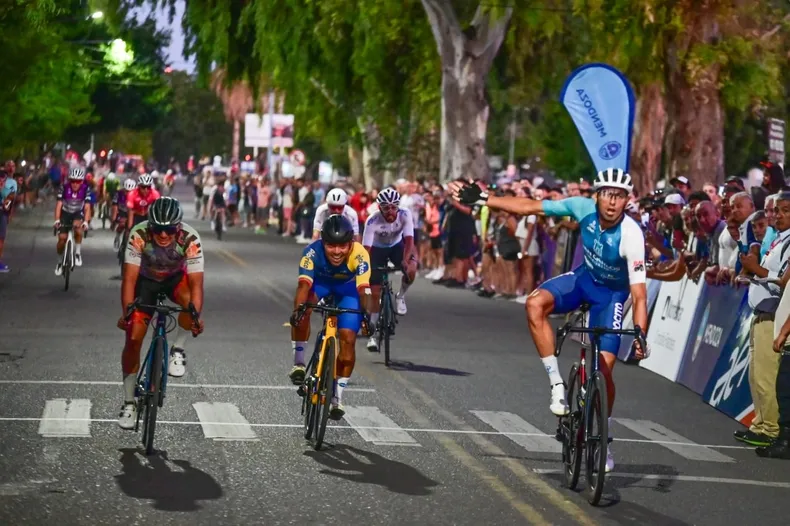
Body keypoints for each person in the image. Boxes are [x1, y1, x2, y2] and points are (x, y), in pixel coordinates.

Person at [450, 167, 650, 473]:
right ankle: (557, 383)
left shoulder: (632, 235)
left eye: (619, 196)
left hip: (611, 296)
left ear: (627, 200)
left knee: (604, 371)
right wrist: (485, 199)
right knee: (535, 303)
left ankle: (604, 438)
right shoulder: (581, 207)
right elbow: (530, 206)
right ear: (597, 196)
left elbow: (639, 295)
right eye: (608, 194)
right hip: (584, 280)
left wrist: (640, 334)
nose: (612, 202)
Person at [116, 197, 204, 429]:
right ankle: (129, 403)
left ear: (178, 227)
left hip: (175, 280)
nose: (163, 235)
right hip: (145, 282)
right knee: (134, 337)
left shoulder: (191, 238)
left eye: (169, 230)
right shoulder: (138, 234)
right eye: (157, 229)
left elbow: (196, 284)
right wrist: (126, 313)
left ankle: (178, 349)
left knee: (190, 305)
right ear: (150, 225)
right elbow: (129, 279)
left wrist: (195, 318)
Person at [288, 214, 372, 419]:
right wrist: (298, 310)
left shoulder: (360, 254)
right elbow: (303, 285)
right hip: (321, 285)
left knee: (348, 340)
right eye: (331, 245)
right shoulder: (311, 252)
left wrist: (366, 316)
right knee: (303, 310)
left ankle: (337, 398)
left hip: (348, 291)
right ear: (322, 242)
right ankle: (299, 363)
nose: (336, 251)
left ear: (351, 243)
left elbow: (364, 290)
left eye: (342, 246)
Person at [363, 188, 417, 346]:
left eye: (394, 207)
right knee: (374, 292)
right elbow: (366, 250)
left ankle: (400, 296)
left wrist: (405, 261)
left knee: (411, 269)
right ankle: (373, 334)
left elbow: (409, 241)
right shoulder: (372, 221)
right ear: (379, 207)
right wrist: (364, 268)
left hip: (396, 247)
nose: (390, 211)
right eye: (386, 208)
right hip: (377, 249)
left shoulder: (405, 214)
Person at [54, 167, 92, 275]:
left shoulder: (85, 189)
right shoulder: (64, 187)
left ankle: (78, 253)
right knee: (62, 239)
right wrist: (57, 220)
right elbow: (59, 205)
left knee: (78, 227)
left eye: (78, 181)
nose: (75, 184)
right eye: (73, 181)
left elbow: (87, 207)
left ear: (82, 182)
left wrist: (86, 221)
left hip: (78, 212)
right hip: (65, 212)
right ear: (69, 181)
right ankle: (59, 262)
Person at [0, 169, 17, 272]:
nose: (1, 183)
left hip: (2, 214)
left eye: (3, 181)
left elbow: (8, 204)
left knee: (1, 239)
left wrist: (6, 203)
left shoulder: (7, 190)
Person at [112, 179, 136, 249]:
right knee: (122, 224)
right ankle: (117, 236)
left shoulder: (136, 194)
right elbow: (114, 206)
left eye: (130, 191)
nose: (128, 193)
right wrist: (114, 220)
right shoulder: (118, 194)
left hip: (133, 212)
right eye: (126, 191)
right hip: (122, 212)